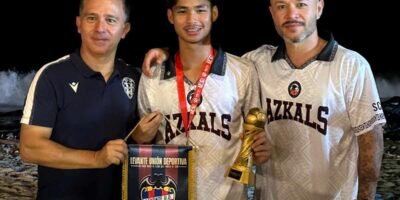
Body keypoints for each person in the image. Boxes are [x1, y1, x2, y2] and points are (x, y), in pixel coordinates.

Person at [141, 0, 386, 199]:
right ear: (272, 12)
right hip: (270, 194)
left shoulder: (350, 65)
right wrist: (165, 53)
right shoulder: (257, 62)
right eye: (281, 6)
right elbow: (203, 58)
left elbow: (371, 140)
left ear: (319, 8)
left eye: (301, 4)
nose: (291, 14)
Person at [19, 0, 162, 199]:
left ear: (125, 29)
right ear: (79, 24)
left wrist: (139, 137)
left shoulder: (134, 79)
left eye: (110, 20)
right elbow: (29, 148)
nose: (100, 28)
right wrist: (96, 158)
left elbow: (131, 144)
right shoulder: (52, 76)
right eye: (91, 18)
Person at [137, 0, 272, 199]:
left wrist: (261, 149)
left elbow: (256, 136)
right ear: (170, 16)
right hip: (169, 193)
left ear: (214, 13)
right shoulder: (152, 75)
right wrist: (140, 136)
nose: (192, 19)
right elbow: (143, 145)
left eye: (200, 10)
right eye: (182, 11)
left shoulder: (243, 71)